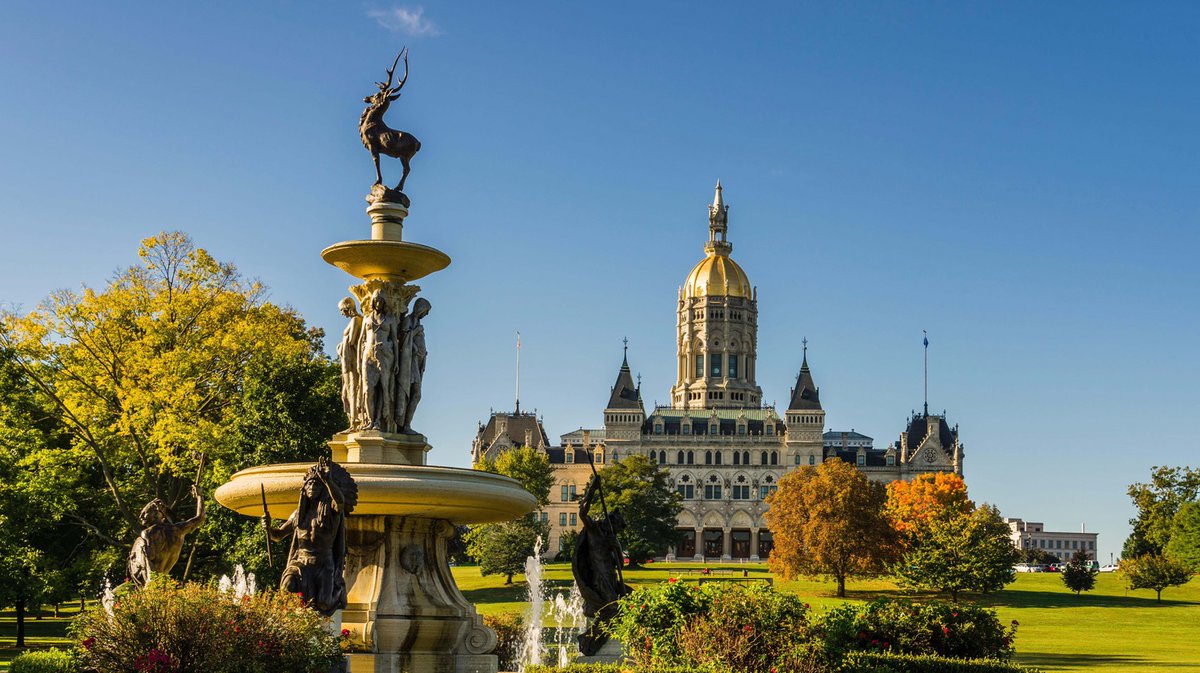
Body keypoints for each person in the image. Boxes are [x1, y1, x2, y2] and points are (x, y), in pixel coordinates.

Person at [262, 456, 357, 616]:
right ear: (304, 489)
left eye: (316, 484)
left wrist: (327, 480)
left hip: (323, 564)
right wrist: (268, 528)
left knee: (325, 603)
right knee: (288, 586)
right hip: (301, 562)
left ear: (323, 489)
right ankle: (298, 628)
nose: (312, 486)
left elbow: (340, 502)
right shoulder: (299, 515)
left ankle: (339, 591)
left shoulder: (330, 512)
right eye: (309, 484)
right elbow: (277, 536)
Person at [572, 475, 631, 655]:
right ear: (610, 521)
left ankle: (595, 639)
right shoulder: (594, 531)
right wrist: (592, 489)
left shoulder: (612, 539)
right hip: (600, 580)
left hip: (611, 579)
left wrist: (616, 547)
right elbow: (582, 513)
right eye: (616, 527)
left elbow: (620, 563)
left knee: (632, 601)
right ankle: (589, 640)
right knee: (613, 608)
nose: (616, 531)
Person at [127, 484, 206, 587]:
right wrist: (200, 496)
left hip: (151, 585)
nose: (141, 516)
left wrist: (134, 558)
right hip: (165, 582)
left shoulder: (148, 533)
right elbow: (200, 517)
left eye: (145, 512)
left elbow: (150, 556)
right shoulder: (178, 530)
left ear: (158, 513)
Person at [396, 298, 430, 433]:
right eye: (425, 311)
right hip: (409, 363)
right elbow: (403, 338)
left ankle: (406, 424)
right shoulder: (408, 320)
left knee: (416, 394)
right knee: (412, 392)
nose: (426, 315)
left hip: (418, 363)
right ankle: (404, 425)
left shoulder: (415, 322)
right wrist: (417, 331)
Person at [336, 297, 363, 431]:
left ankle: (355, 422)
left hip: (351, 359)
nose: (341, 313)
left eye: (342, 309)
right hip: (348, 359)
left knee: (352, 390)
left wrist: (340, 346)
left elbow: (352, 340)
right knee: (345, 393)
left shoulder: (356, 320)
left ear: (348, 307)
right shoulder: (357, 319)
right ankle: (353, 421)